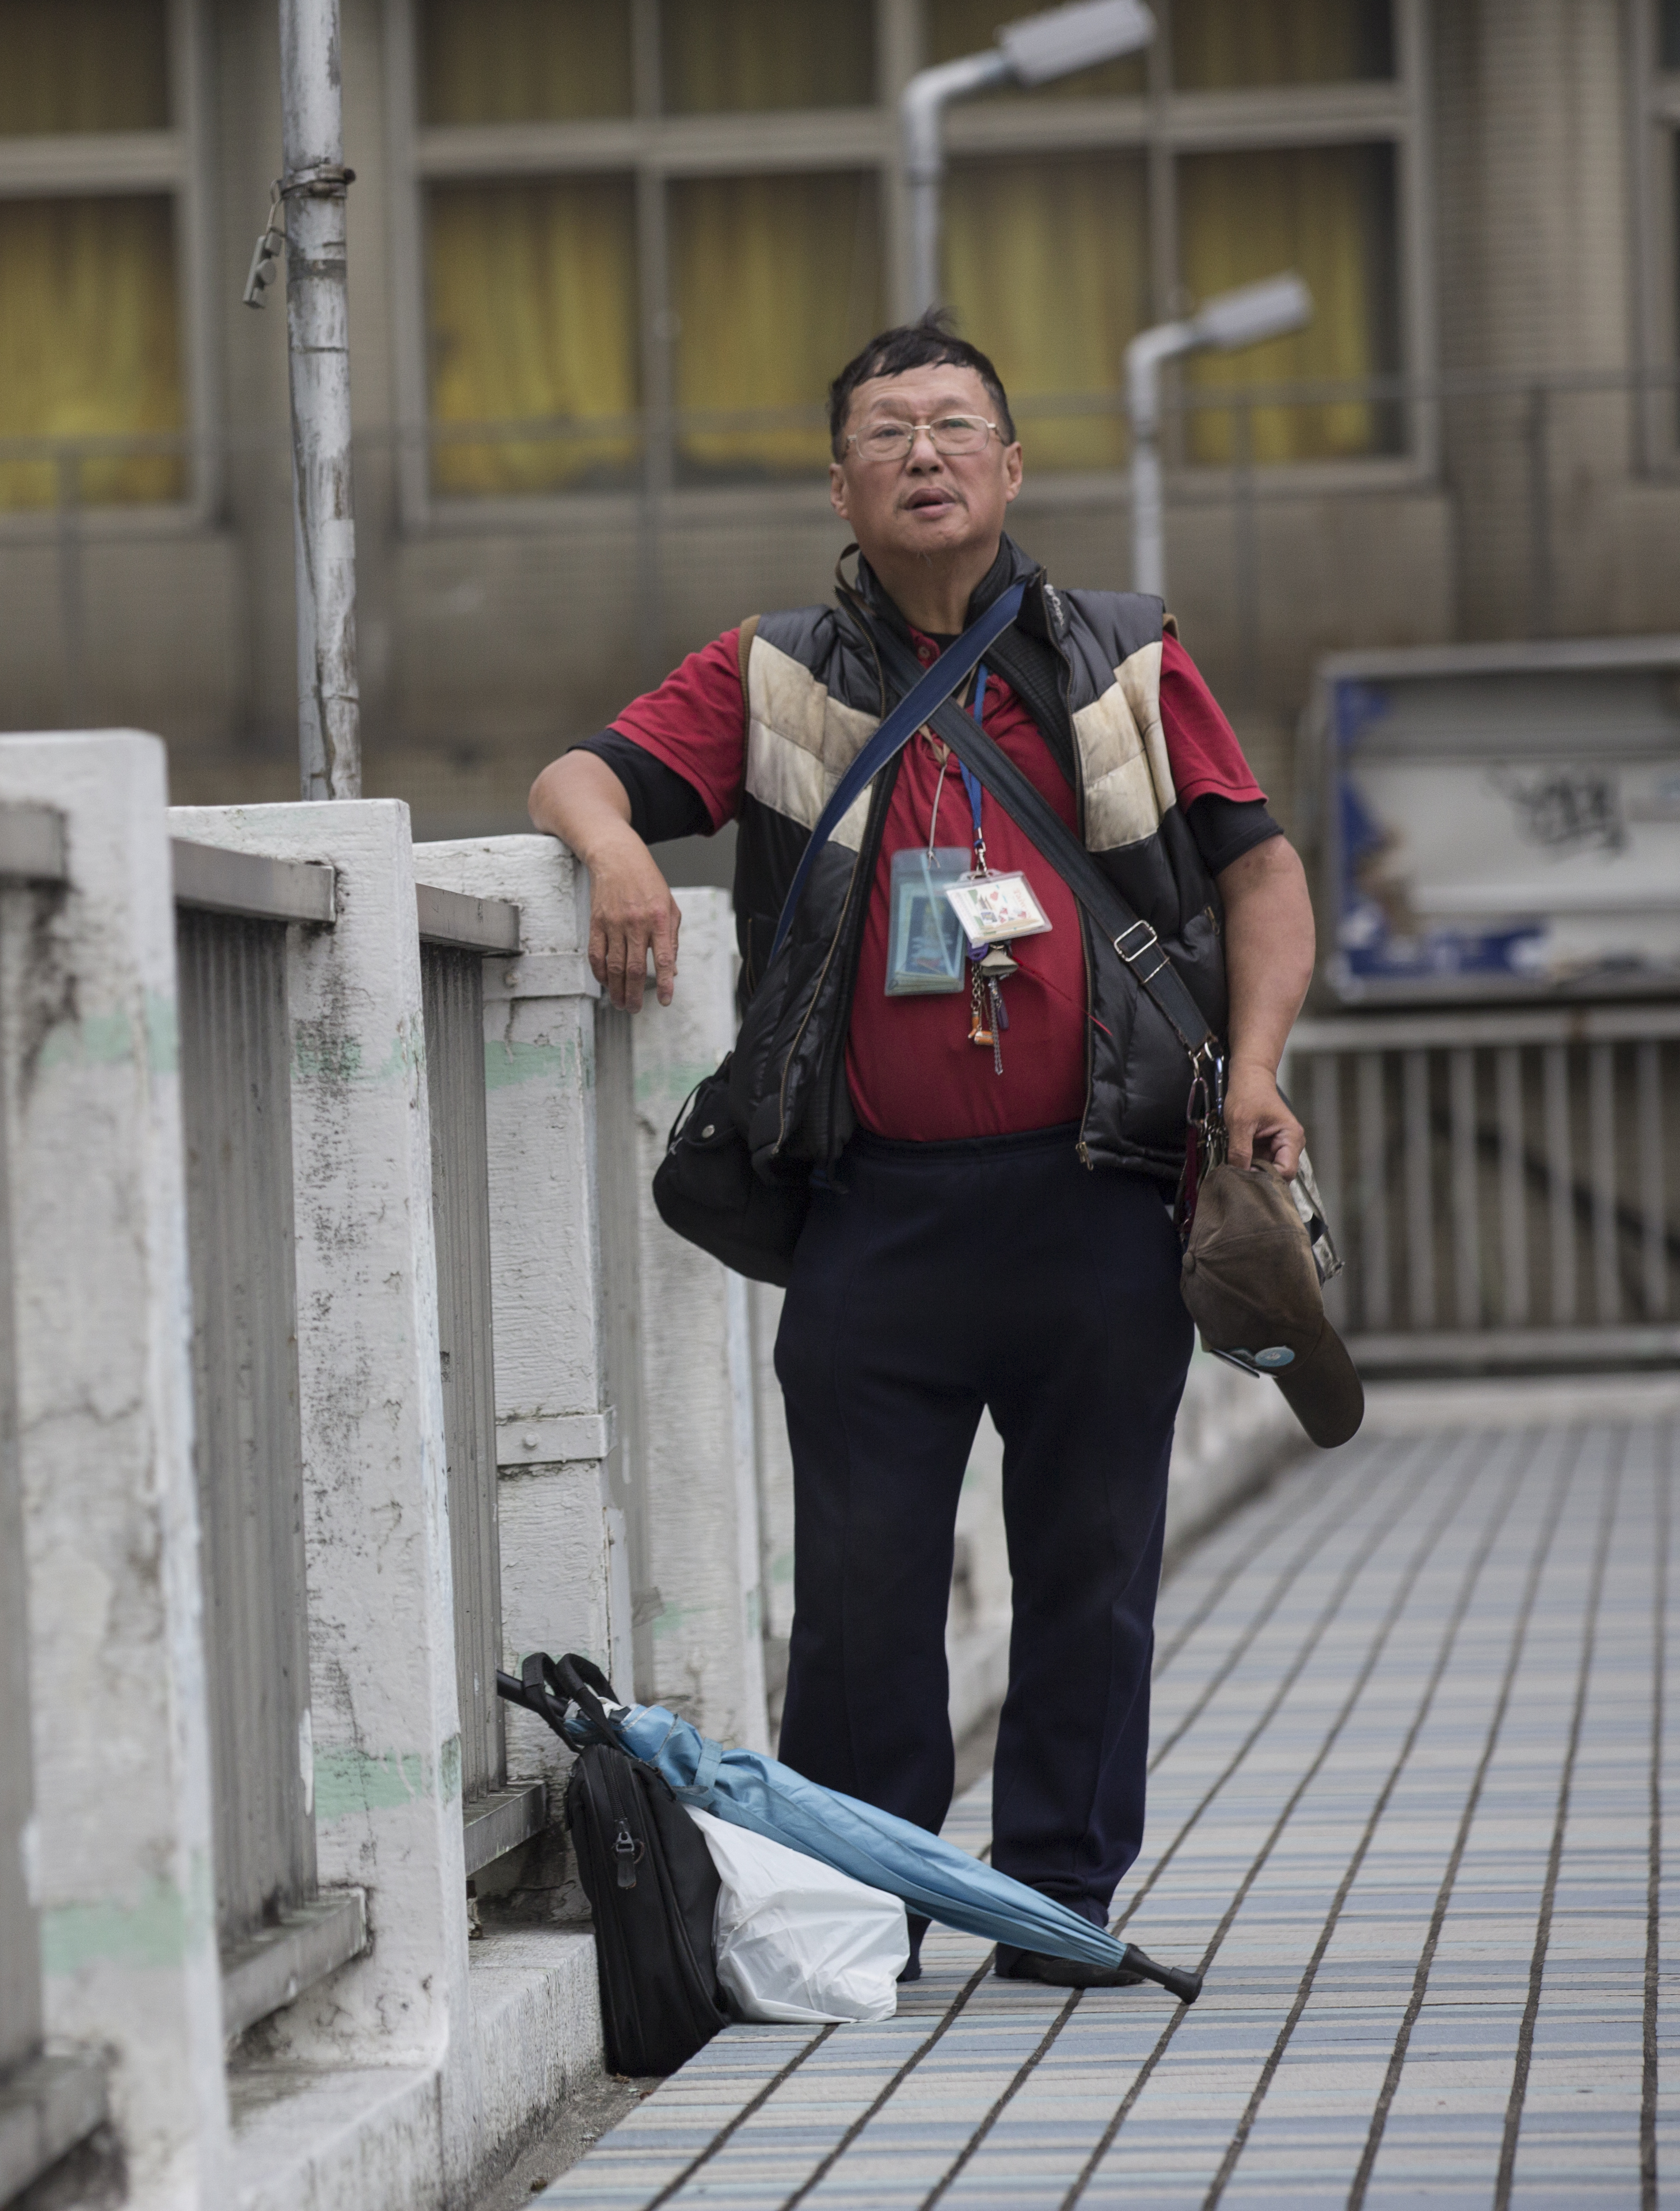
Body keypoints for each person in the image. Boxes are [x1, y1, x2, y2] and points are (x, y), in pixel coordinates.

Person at [527, 314, 1316, 1987]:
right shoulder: (775, 673)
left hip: (1103, 1199)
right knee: (865, 1595)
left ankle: (1056, 1901)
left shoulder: (1120, 658)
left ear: (1014, 465)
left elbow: (1261, 874)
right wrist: (615, 856)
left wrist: (1256, 1066)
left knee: (1091, 1573)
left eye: (958, 425)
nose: (926, 454)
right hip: (877, 1217)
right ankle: (859, 1907)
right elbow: (580, 773)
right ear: (842, 479)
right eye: (888, 431)